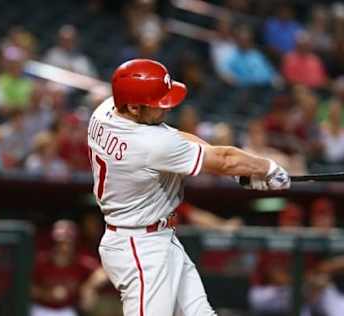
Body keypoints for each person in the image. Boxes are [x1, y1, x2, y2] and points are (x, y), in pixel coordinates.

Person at [87, 59, 291, 316]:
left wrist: (239, 173)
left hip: (153, 237)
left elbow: (175, 138)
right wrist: (267, 168)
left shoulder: (105, 111)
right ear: (133, 107)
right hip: (140, 247)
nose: (166, 108)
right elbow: (225, 159)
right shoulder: (149, 144)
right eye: (157, 104)